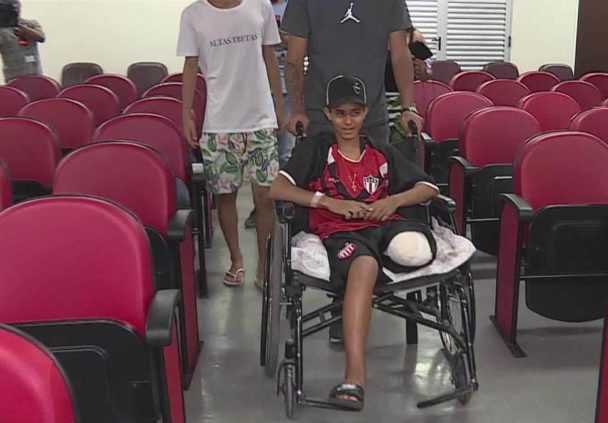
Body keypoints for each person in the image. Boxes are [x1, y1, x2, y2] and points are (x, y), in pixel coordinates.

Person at [269, 75, 439, 410]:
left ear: (365, 113)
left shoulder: (380, 150)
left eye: (355, 113)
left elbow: (428, 188)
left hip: (384, 224)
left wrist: (393, 201)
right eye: (340, 113)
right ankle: (355, 376)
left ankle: (389, 261)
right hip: (341, 232)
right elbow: (278, 188)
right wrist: (328, 203)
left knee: (414, 249)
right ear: (328, 114)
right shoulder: (317, 149)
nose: (348, 121)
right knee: (365, 265)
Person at [178, 0, 284, 288]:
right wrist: (186, 113)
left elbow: (270, 56)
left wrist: (279, 105)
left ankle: (264, 266)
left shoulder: (260, 6)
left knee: (266, 197)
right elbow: (190, 64)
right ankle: (237, 261)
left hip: (260, 120)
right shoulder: (193, 15)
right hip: (219, 124)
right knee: (225, 197)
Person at [281, 0, 424, 143]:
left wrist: (297, 109)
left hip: (329, 115)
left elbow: (294, 60)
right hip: (360, 116)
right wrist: (407, 107)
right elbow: (400, 55)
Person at [244, 0, 293, 230]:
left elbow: (308, 43)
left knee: (285, 151)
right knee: (260, 154)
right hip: (257, 90)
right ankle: (262, 206)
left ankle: (283, 203)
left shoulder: (295, 7)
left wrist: (288, 40)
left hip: (289, 89)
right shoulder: (254, 7)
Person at [0, 0, 45, 83]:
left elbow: (41, 38)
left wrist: (19, 25)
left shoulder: (31, 24)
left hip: (35, 73)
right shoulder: (2, 30)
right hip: (13, 77)